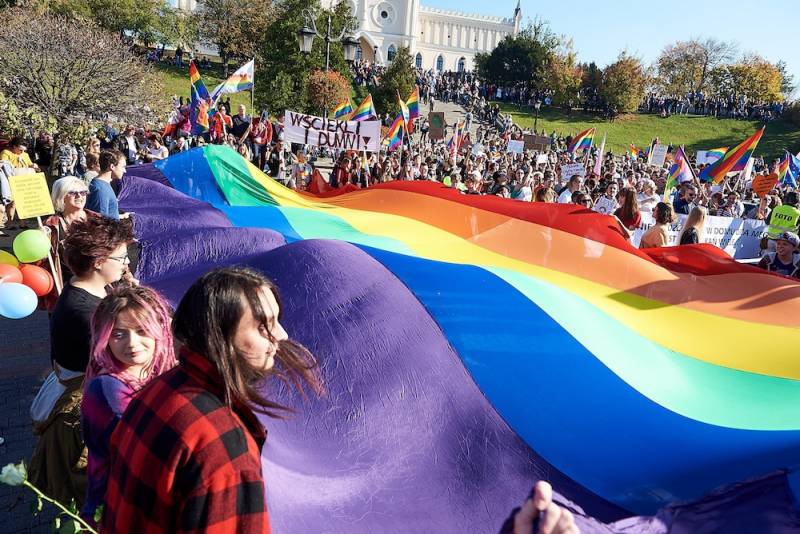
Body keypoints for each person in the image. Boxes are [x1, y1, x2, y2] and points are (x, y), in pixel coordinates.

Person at [103, 267, 324, 532]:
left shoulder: (157, 390)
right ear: (220, 337)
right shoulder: (222, 447)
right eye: (264, 325)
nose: (281, 335)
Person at [29, 217, 134, 509]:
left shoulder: (93, 291)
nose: (126, 263)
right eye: (121, 256)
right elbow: (121, 363)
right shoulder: (85, 311)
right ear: (99, 262)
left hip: (80, 393)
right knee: (90, 493)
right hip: (82, 412)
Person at [81, 285, 178, 522]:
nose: (132, 343)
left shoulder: (157, 371)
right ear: (105, 338)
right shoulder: (108, 388)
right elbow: (150, 451)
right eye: (119, 334)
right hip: (121, 505)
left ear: (160, 331)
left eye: (142, 331)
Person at [43, 176, 100, 294]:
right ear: (61, 197)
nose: (79, 196)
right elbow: (43, 260)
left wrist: (127, 276)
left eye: (83, 192)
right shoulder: (51, 225)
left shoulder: (98, 221)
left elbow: (115, 249)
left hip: (98, 286)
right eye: (73, 193)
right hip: (65, 288)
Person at [87, 150, 125, 220]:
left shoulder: (104, 185)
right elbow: (100, 222)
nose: (124, 170)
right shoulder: (100, 190)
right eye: (123, 167)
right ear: (112, 167)